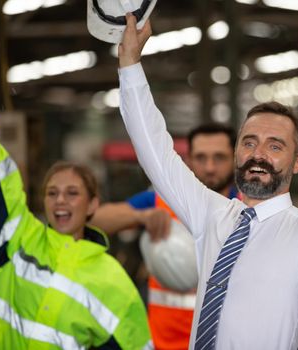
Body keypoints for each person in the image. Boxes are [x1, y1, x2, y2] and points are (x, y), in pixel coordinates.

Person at [116, 14, 298, 349]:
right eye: (249, 142)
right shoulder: (213, 215)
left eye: (275, 146)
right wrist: (130, 63)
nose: (258, 154)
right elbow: (156, 153)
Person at [0, 100, 152, 349]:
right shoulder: (18, 237)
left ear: (93, 204)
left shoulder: (113, 280)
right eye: (52, 193)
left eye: (72, 193)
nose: (60, 200)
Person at [90, 122, 239, 350]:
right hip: (165, 344)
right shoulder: (162, 201)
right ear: (188, 160)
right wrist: (141, 217)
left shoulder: (248, 211)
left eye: (219, 157)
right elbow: (95, 220)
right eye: (201, 157)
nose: (209, 167)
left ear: (235, 160)